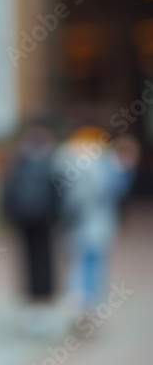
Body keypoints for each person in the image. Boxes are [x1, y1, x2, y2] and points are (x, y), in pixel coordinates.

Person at [53, 126, 135, 319]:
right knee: (90, 262)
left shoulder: (63, 160)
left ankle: (81, 302)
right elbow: (110, 191)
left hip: (78, 224)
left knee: (79, 261)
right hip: (93, 223)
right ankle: (86, 302)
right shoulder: (101, 165)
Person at [2, 122, 60, 335]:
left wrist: (12, 216)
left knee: (28, 260)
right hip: (44, 221)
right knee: (45, 260)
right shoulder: (49, 162)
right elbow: (58, 192)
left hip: (25, 221)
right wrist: (56, 217)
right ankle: (44, 302)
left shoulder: (18, 162)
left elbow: (6, 191)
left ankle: (32, 302)